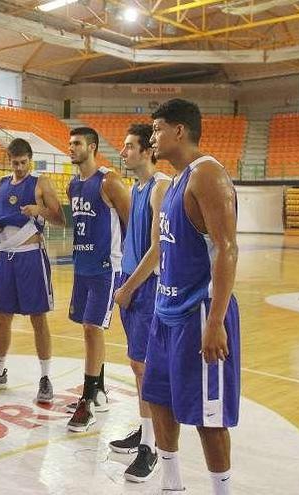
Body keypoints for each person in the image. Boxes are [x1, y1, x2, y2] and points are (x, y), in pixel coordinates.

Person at [143, 98, 240, 495]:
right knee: (158, 398)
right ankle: (171, 484)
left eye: (156, 129)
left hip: (198, 312)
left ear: (178, 131)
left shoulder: (208, 175)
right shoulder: (175, 181)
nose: (152, 138)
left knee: (208, 416)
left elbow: (227, 249)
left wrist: (215, 321)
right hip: (165, 311)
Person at [0, 138, 64, 403]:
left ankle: (45, 378)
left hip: (31, 257)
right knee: (2, 317)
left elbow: (59, 219)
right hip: (6, 258)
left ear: (30, 160)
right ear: (9, 160)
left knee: (38, 318)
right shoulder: (0, 183)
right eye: (15, 163)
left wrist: (40, 210)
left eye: (24, 162)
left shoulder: (40, 183)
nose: (20, 167)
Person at [109, 124, 171, 481]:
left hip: (146, 287)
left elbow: (158, 248)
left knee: (146, 367)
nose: (124, 152)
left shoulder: (160, 187)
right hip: (131, 283)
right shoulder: (137, 187)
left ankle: (153, 446)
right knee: (137, 365)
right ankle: (146, 429)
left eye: (130, 146)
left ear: (147, 150)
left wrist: (129, 287)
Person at [65, 126, 131, 433]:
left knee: (93, 327)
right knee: (89, 329)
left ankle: (87, 401)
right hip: (82, 266)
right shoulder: (72, 185)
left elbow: (132, 223)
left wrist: (130, 267)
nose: (71, 148)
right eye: (70, 143)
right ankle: (100, 390)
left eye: (77, 143)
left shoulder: (109, 181)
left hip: (107, 267)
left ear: (92, 147)